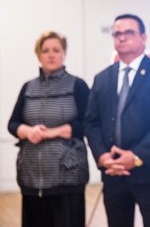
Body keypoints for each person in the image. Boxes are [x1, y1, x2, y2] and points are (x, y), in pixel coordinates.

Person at [85, 14, 150, 227]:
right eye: (117, 33)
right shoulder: (102, 78)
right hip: (113, 172)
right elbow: (91, 122)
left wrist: (136, 156)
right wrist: (102, 156)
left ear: (143, 37)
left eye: (129, 32)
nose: (121, 38)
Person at [7, 31, 90, 227]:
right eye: (45, 51)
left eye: (56, 50)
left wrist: (52, 132)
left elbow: (87, 124)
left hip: (68, 176)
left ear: (64, 54)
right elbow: (13, 124)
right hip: (31, 177)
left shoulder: (77, 85)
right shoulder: (28, 87)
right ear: (38, 55)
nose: (51, 55)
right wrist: (28, 131)